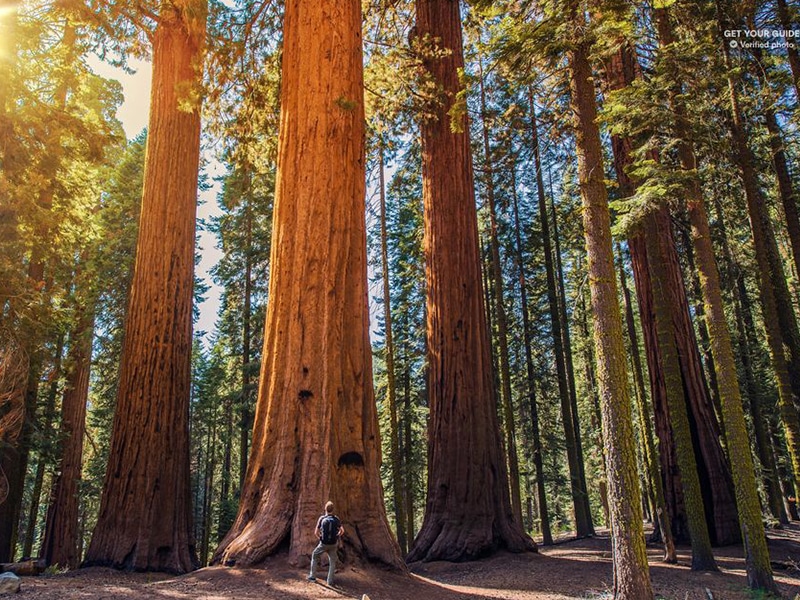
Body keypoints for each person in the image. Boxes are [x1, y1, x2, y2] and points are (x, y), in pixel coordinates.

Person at [308, 501, 344, 586]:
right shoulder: (336, 519)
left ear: (325, 509)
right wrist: (337, 536)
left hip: (323, 544)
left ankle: (312, 576)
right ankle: (330, 581)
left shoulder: (321, 518)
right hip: (333, 544)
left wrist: (320, 538)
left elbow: (316, 532)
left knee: (315, 555)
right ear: (333, 510)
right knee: (332, 561)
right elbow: (342, 531)